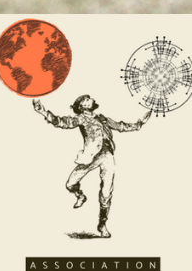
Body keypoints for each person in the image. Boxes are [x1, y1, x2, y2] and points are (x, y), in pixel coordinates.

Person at [33, 91, 152, 237]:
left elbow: (121, 126)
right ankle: (80, 196)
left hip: (107, 155)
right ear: (82, 106)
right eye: (85, 99)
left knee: (106, 192)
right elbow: (62, 122)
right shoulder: (81, 118)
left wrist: (140, 123)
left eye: (89, 98)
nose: (89, 98)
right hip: (90, 157)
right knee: (70, 184)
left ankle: (102, 225)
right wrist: (43, 112)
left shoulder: (101, 118)